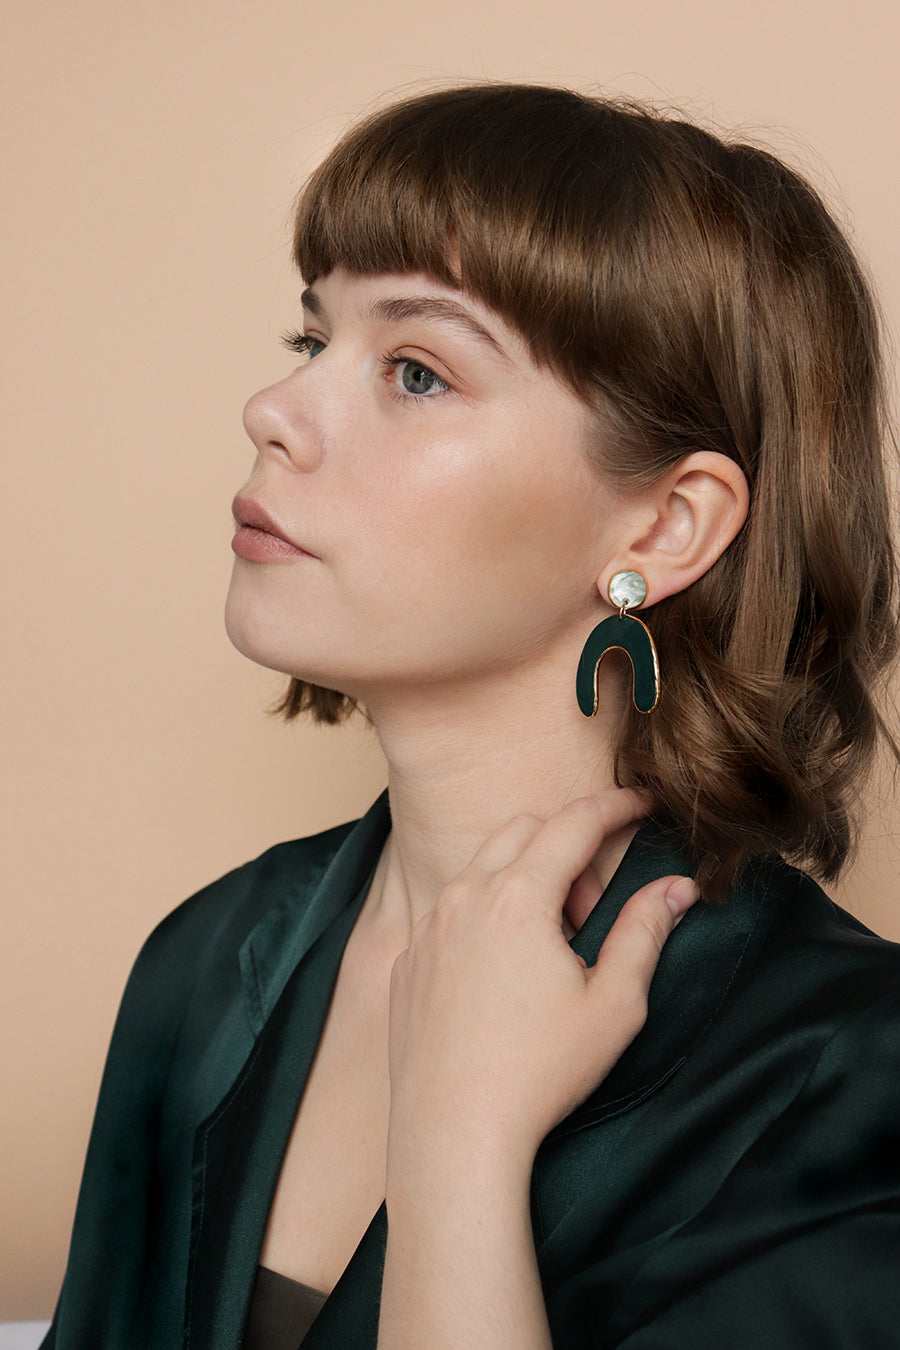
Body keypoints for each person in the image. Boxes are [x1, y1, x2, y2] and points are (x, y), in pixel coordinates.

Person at [42, 83, 900, 1350]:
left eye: (415, 370)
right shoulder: (210, 961)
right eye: (308, 342)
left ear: (665, 528)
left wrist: (456, 1147)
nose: (273, 415)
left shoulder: (843, 1077)